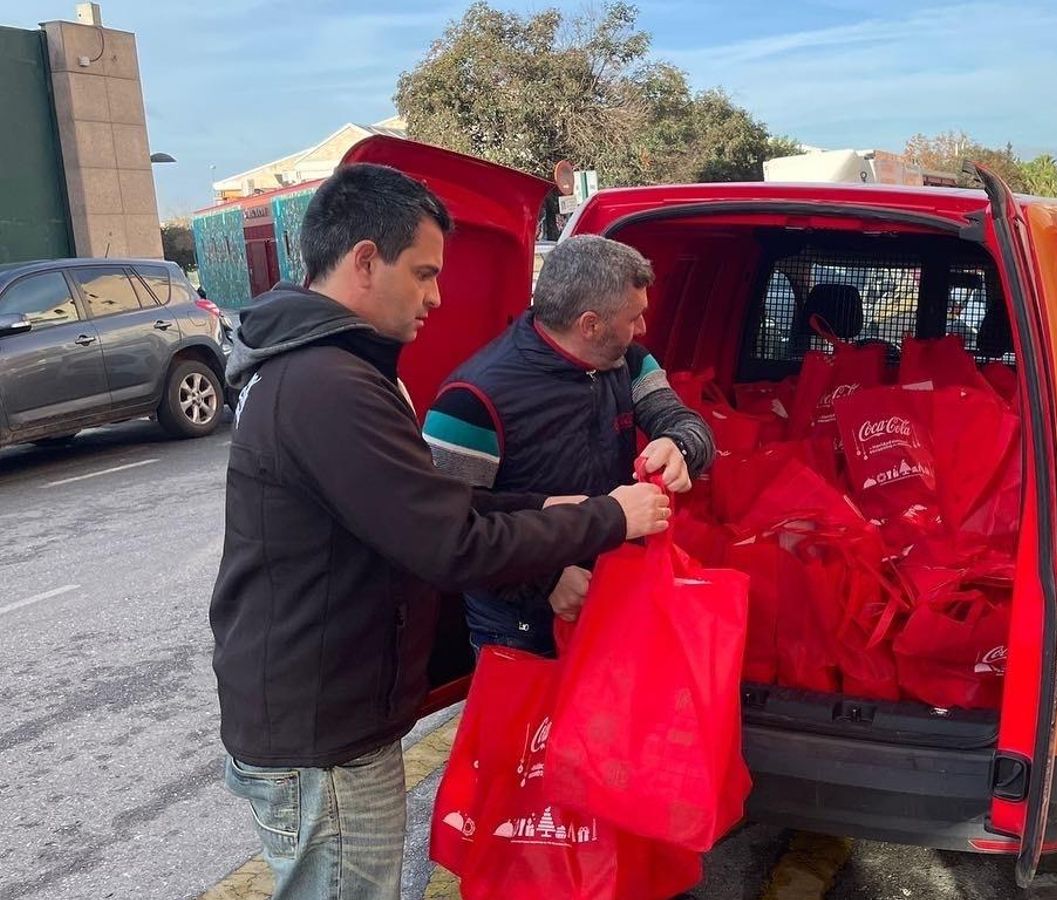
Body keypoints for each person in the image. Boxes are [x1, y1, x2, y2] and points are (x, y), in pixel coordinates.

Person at [209, 164, 669, 900]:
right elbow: (447, 545)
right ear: (365, 260)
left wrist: (541, 504)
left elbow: (416, 506)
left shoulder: (329, 370)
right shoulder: (327, 387)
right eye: (423, 273)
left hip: (329, 707)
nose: (437, 296)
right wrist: (611, 515)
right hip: (321, 729)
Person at [422, 235, 714, 655]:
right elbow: (446, 528)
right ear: (590, 324)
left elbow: (685, 422)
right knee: (526, 722)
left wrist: (679, 445)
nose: (643, 329)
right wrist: (545, 582)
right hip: (517, 624)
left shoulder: (628, 360)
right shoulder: (471, 399)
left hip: (612, 589)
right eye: (634, 318)